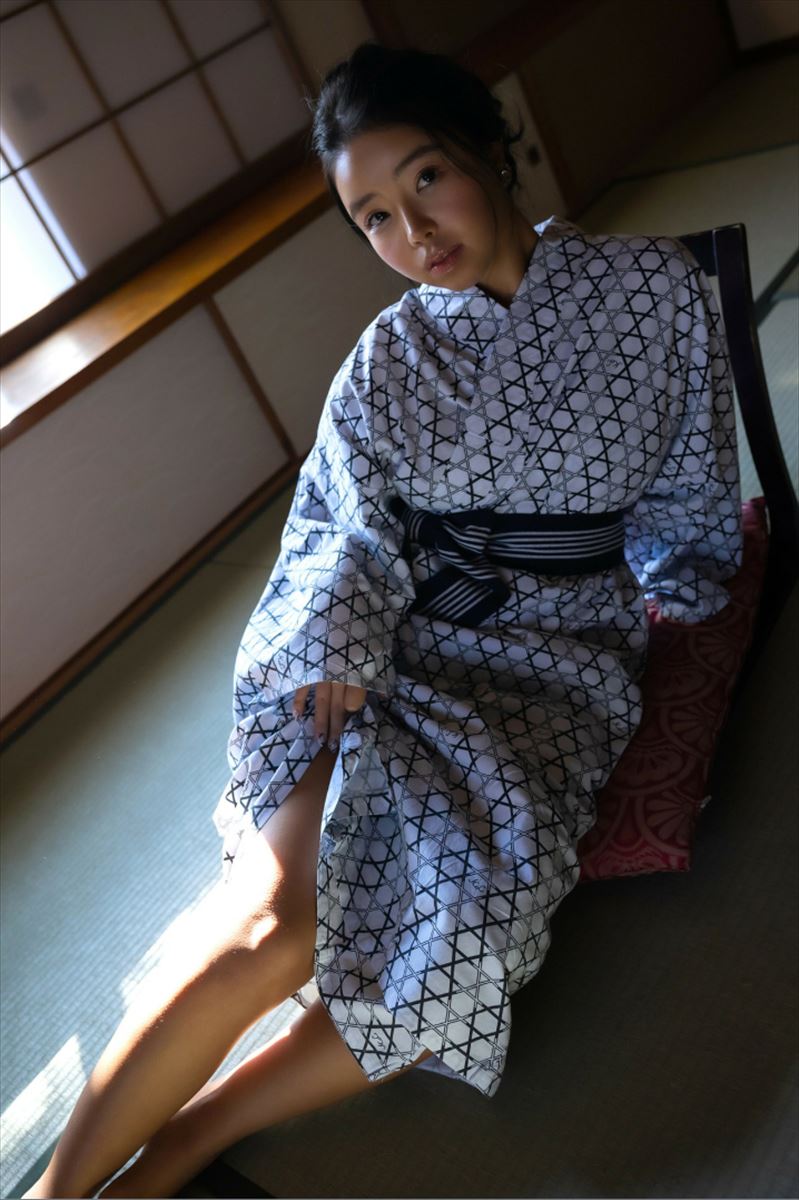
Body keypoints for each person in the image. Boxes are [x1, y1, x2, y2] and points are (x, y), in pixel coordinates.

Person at [24, 40, 743, 1200]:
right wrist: (342, 644)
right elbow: (341, 525)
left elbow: (689, 482)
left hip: (558, 663)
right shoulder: (387, 362)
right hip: (398, 645)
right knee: (273, 924)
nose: (412, 232)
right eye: (372, 217)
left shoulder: (650, 290)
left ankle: (192, 1140)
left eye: (425, 179)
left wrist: (695, 594)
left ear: (490, 147)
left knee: (465, 947)